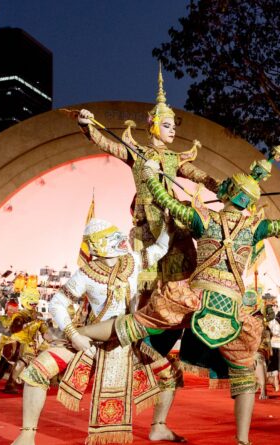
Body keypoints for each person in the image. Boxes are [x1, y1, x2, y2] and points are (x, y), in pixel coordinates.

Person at [77, 146, 280, 444]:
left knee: (136, 324)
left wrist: (150, 176)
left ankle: (75, 332)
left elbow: (166, 201)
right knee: (243, 372)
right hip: (230, 308)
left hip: (193, 300)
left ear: (228, 195)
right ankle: (242, 440)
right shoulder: (255, 227)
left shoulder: (205, 219)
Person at [77, 67, 221, 441]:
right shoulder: (137, 153)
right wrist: (87, 125)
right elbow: (107, 144)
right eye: (167, 124)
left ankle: (160, 420)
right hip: (146, 232)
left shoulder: (174, 160)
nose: (172, 130)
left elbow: (198, 174)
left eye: (174, 125)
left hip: (174, 231)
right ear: (152, 125)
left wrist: (217, 184)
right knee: (141, 290)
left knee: (185, 280)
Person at [12, 217, 173, 445]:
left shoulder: (132, 261)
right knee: (36, 371)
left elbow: (160, 248)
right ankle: (27, 435)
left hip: (127, 342)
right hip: (92, 343)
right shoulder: (86, 274)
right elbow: (57, 303)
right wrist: (74, 335)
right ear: (99, 244)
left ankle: (159, 427)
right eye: (114, 236)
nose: (122, 239)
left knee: (170, 374)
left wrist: (168, 224)